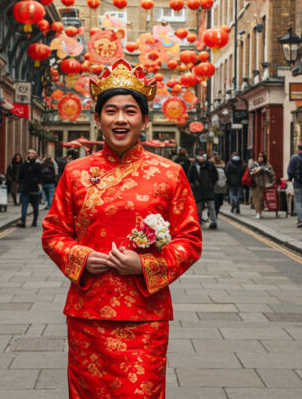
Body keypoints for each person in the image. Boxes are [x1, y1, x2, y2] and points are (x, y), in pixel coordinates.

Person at [42, 59, 201, 398]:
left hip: (145, 314)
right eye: (110, 111)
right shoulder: (75, 173)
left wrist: (143, 265)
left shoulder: (170, 173)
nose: (120, 119)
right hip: (88, 313)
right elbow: (53, 233)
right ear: (98, 118)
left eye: (130, 111)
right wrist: (82, 257)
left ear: (144, 119)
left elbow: (190, 240)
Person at [188, 149, 219, 229]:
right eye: (199, 156)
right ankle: (198, 222)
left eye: (202, 156)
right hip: (198, 190)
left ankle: (213, 221)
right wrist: (194, 184)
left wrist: (211, 184)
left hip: (208, 189)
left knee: (211, 206)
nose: (201, 158)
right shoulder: (193, 166)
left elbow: (215, 176)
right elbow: (189, 178)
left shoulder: (210, 165)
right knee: (198, 208)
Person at [17, 148, 42, 227]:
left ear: (35, 155)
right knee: (24, 206)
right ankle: (23, 221)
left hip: (35, 190)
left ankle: (34, 221)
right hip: (25, 189)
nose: (30, 155)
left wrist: (39, 184)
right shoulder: (23, 165)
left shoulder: (38, 165)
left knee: (35, 207)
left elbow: (40, 177)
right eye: (29, 153)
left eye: (32, 153)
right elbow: (20, 177)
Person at [249, 152, 275, 219]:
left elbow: (271, 173)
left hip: (264, 184)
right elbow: (251, 172)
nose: (260, 158)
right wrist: (258, 169)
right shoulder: (254, 164)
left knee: (261, 198)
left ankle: (260, 212)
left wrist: (266, 170)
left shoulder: (267, 165)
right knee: (256, 198)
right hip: (255, 183)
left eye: (261, 157)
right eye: (259, 156)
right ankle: (257, 212)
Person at [212, 154, 227, 220]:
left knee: (218, 202)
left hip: (220, 187)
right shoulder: (212, 168)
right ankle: (214, 214)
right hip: (218, 187)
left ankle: (214, 214)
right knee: (217, 203)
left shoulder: (223, 167)